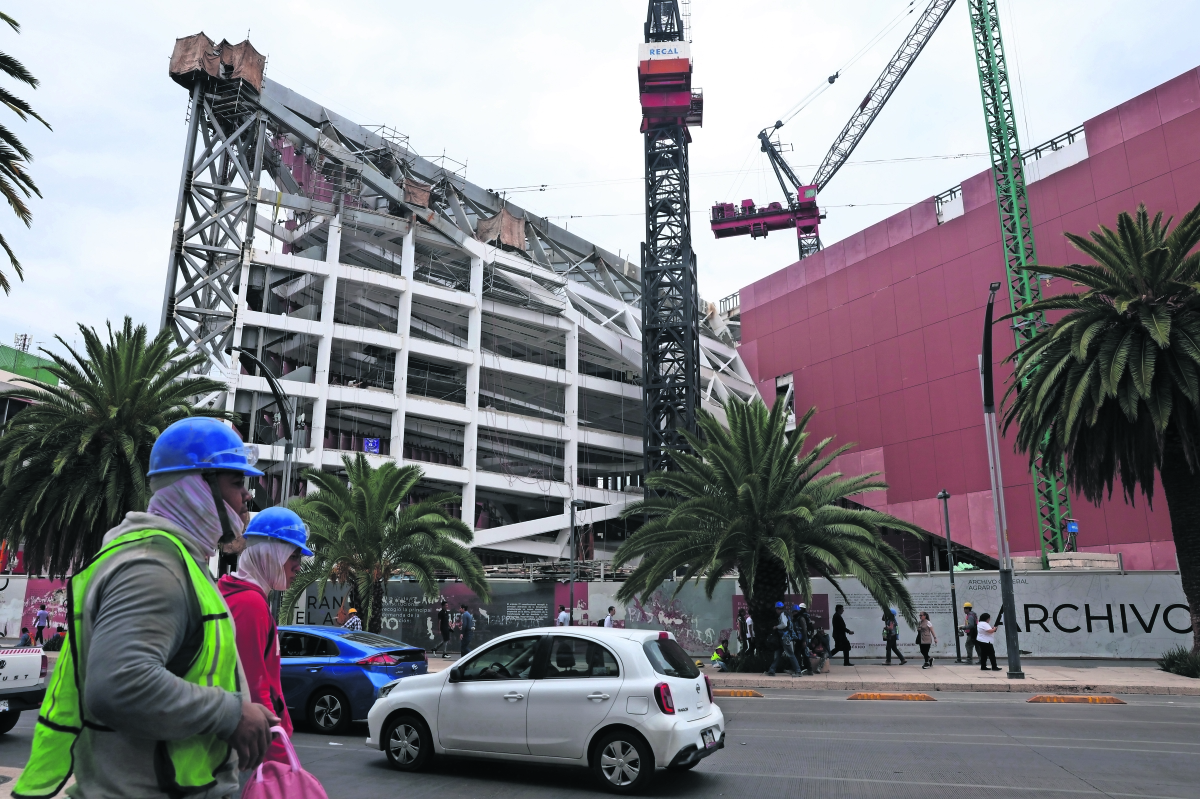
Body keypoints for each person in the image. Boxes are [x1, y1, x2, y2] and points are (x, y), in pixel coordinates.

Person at [15, 417, 278, 799]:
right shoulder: (154, 565)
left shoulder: (175, 559)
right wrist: (231, 713)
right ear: (196, 489)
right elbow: (120, 684)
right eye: (237, 483)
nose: (246, 498)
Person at [218, 506, 310, 767]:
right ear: (270, 553)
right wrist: (282, 763)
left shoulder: (234, 593)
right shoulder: (250, 604)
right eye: (293, 555)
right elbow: (256, 691)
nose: (298, 566)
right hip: (253, 752)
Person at [767, 601, 801, 677]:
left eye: (776, 609)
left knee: (790, 655)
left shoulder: (783, 614)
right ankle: (771, 670)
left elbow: (784, 624)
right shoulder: (786, 614)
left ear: (778, 609)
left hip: (785, 638)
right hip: (783, 638)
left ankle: (798, 671)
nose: (776, 611)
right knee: (778, 654)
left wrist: (776, 627)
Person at [792, 604, 813, 675]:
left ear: (796, 611)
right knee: (804, 654)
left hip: (802, 639)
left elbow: (804, 630)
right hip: (799, 639)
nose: (793, 613)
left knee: (797, 654)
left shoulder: (801, 618)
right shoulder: (796, 619)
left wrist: (804, 641)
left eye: (794, 612)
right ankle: (809, 669)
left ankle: (798, 670)